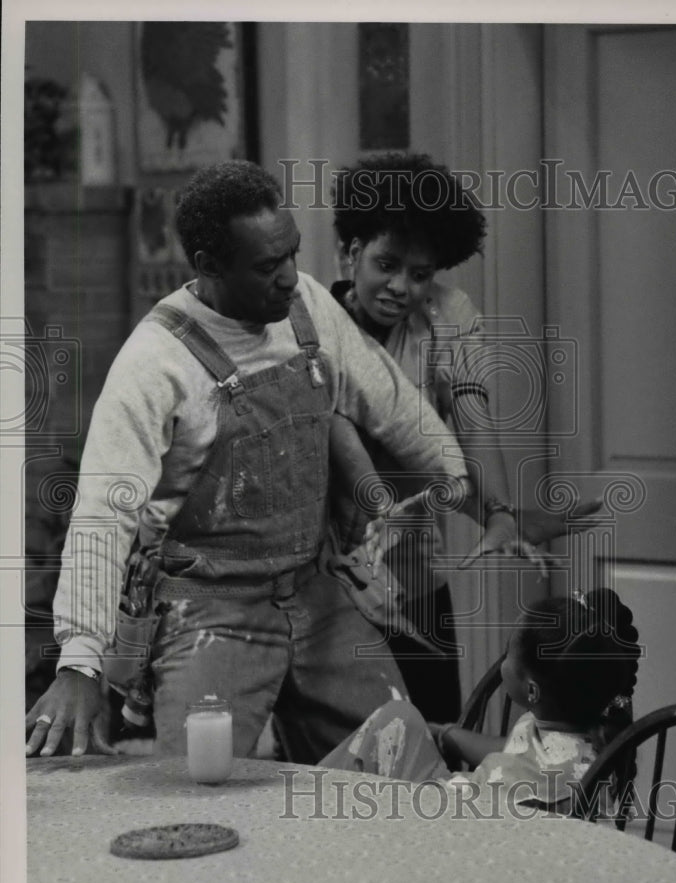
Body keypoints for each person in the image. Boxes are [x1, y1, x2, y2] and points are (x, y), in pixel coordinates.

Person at [24, 159, 481, 766]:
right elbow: (104, 516)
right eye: (269, 266)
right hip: (209, 609)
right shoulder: (154, 363)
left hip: (317, 593)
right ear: (209, 267)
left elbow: (397, 411)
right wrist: (80, 659)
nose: (292, 277)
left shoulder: (309, 306)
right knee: (195, 796)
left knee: (403, 762)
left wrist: (474, 495)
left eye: (292, 253)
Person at [327, 151, 601, 723]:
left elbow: (474, 417)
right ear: (351, 252)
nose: (402, 286)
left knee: (435, 751)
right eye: (386, 264)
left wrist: (499, 512)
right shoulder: (311, 325)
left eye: (420, 273)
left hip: (417, 583)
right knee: (338, 760)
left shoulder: (447, 315)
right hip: (330, 590)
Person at [320, 588, 641, 815]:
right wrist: (448, 734)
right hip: (474, 803)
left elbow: (465, 813)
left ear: (531, 690)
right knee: (402, 721)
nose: (502, 663)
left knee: (389, 730)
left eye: (508, 654)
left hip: (458, 825)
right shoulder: (574, 736)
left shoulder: (525, 784)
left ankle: (305, 810)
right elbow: (514, 748)